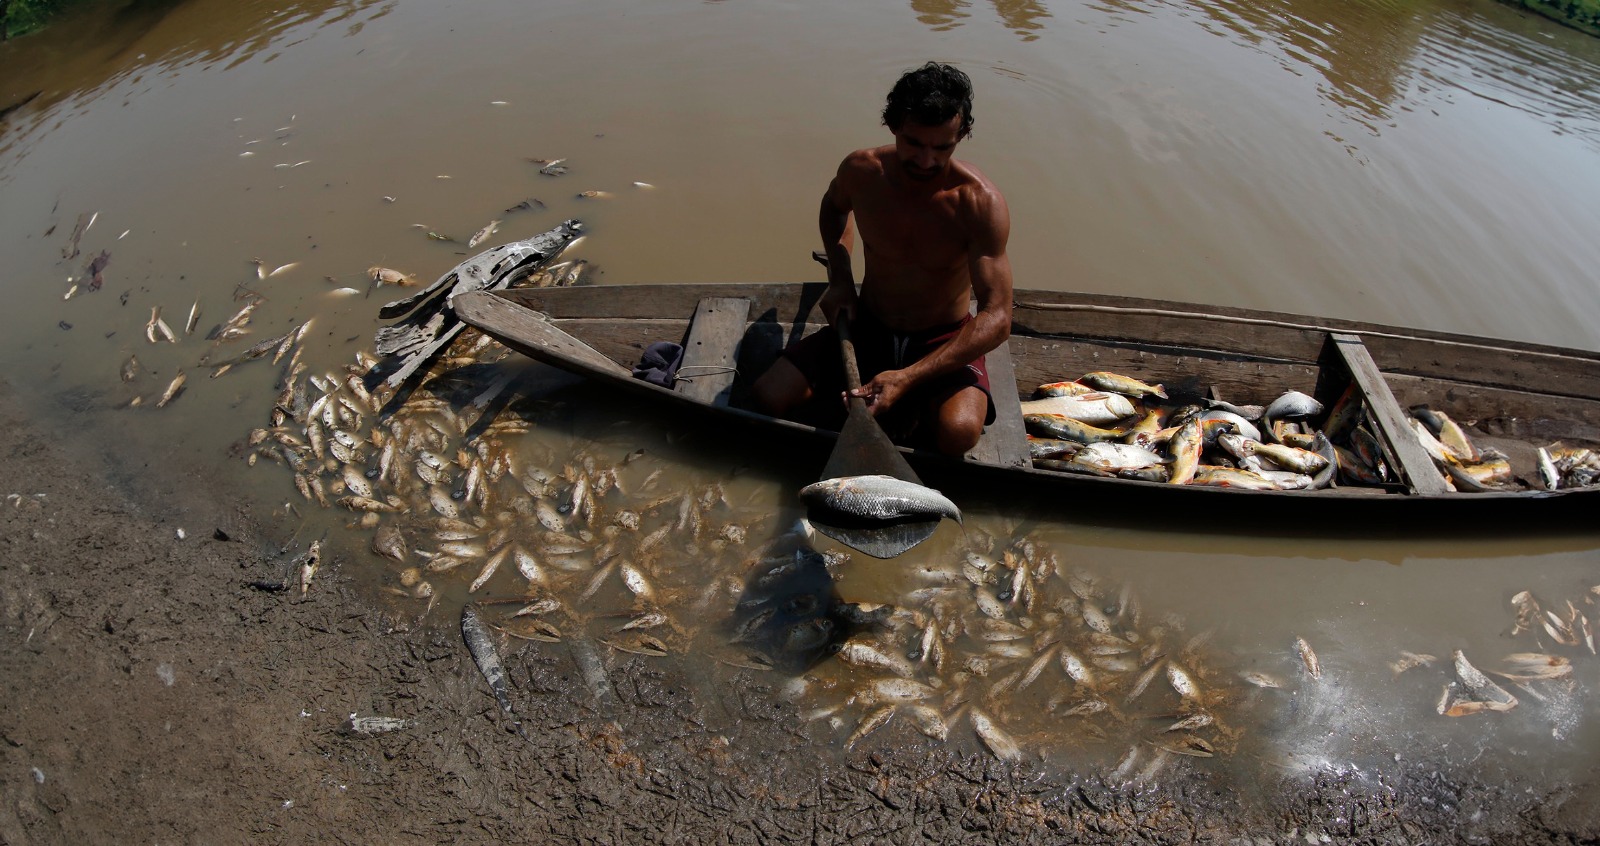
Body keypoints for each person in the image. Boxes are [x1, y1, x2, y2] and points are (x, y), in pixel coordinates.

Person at [752, 61, 1013, 457]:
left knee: (958, 433)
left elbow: (997, 317)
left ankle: (902, 405)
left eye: (942, 147)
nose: (926, 161)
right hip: (866, 323)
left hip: (941, 338)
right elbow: (833, 207)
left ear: (962, 135)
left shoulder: (978, 202)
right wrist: (840, 279)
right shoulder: (862, 171)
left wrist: (908, 377)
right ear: (893, 126)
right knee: (768, 397)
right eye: (914, 143)